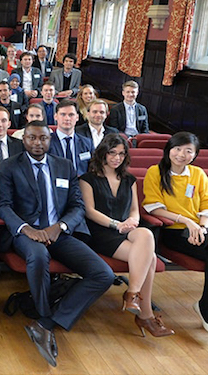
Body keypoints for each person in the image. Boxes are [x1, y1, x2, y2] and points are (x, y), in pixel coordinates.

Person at [0, 121, 113, 367]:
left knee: (103, 274)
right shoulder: (10, 166)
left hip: (59, 232)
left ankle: (46, 324)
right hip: (25, 234)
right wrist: (26, 229)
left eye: (43, 138)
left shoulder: (65, 166)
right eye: (32, 138)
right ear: (23, 140)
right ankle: (43, 315)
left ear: (50, 140)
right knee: (38, 257)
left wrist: (59, 227)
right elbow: (3, 205)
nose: (38, 143)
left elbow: (77, 206)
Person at [143, 132, 208, 344]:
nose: (182, 154)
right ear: (169, 149)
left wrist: (202, 228)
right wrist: (187, 222)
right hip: (172, 231)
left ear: (195, 154)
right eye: (178, 149)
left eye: (188, 150)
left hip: (200, 230)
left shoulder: (198, 174)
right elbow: (154, 207)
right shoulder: (156, 172)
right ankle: (207, 307)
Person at [79, 133, 174, 337]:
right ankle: (145, 315)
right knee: (151, 257)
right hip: (101, 232)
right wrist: (117, 224)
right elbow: (89, 211)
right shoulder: (87, 179)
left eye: (121, 154)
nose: (117, 158)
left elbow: (134, 209)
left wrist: (133, 221)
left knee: (146, 234)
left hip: (126, 230)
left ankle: (133, 294)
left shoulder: (129, 179)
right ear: (103, 153)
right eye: (112, 153)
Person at [48, 100, 93, 176]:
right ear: (55, 116)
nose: (67, 118)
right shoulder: (47, 142)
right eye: (63, 114)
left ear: (77, 117)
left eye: (71, 115)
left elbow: (92, 168)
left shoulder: (87, 143)